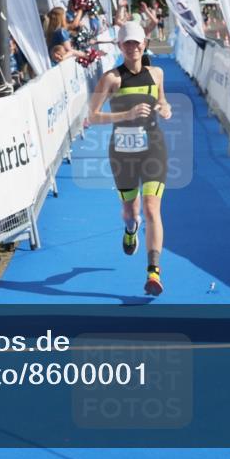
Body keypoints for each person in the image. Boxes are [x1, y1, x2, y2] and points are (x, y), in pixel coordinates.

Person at [87, 21, 173, 296]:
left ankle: (153, 273)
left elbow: (164, 101)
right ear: (120, 46)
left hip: (153, 147)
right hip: (123, 152)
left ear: (144, 44)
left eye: (137, 42)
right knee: (131, 211)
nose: (133, 47)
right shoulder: (111, 78)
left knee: (151, 209)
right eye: (128, 43)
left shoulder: (157, 73)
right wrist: (127, 115)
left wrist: (165, 108)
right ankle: (130, 229)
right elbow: (92, 117)